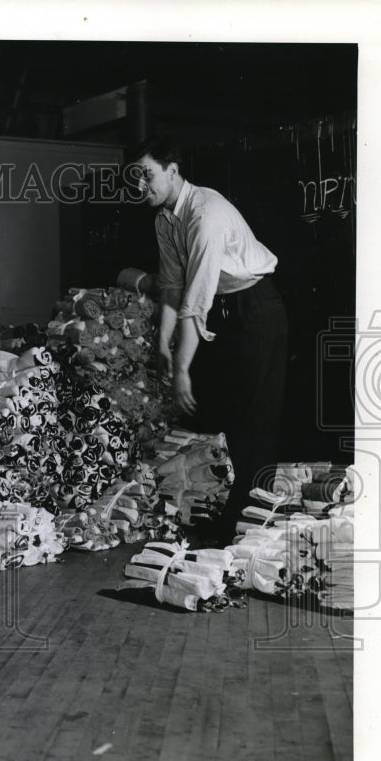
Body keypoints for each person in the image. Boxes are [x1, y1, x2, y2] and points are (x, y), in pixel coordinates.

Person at [127, 136, 289, 539]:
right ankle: (244, 513)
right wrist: (163, 344)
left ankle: (248, 521)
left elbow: (195, 301)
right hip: (229, 312)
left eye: (148, 175)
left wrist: (182, 368)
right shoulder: (165, 220)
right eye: (136, 178)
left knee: (257, 419)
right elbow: (171, 288)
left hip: (257, 307)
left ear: (173, 171)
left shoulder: (204, 214)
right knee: (235, 416)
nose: (141, 186)